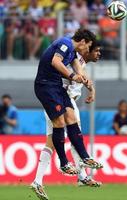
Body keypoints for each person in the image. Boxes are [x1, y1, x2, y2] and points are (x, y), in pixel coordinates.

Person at [31, 41, 102, 200]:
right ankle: (81, 175)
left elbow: (82, 76)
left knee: (51, 142)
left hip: (57, 101)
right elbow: (62, 73)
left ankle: (37, 181)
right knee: (75, 135)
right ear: (86, 49)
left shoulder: (78, 61)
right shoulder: (71, 57)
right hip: (62, 100)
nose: (98, 54)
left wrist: (91, 88)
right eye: (96, 51)